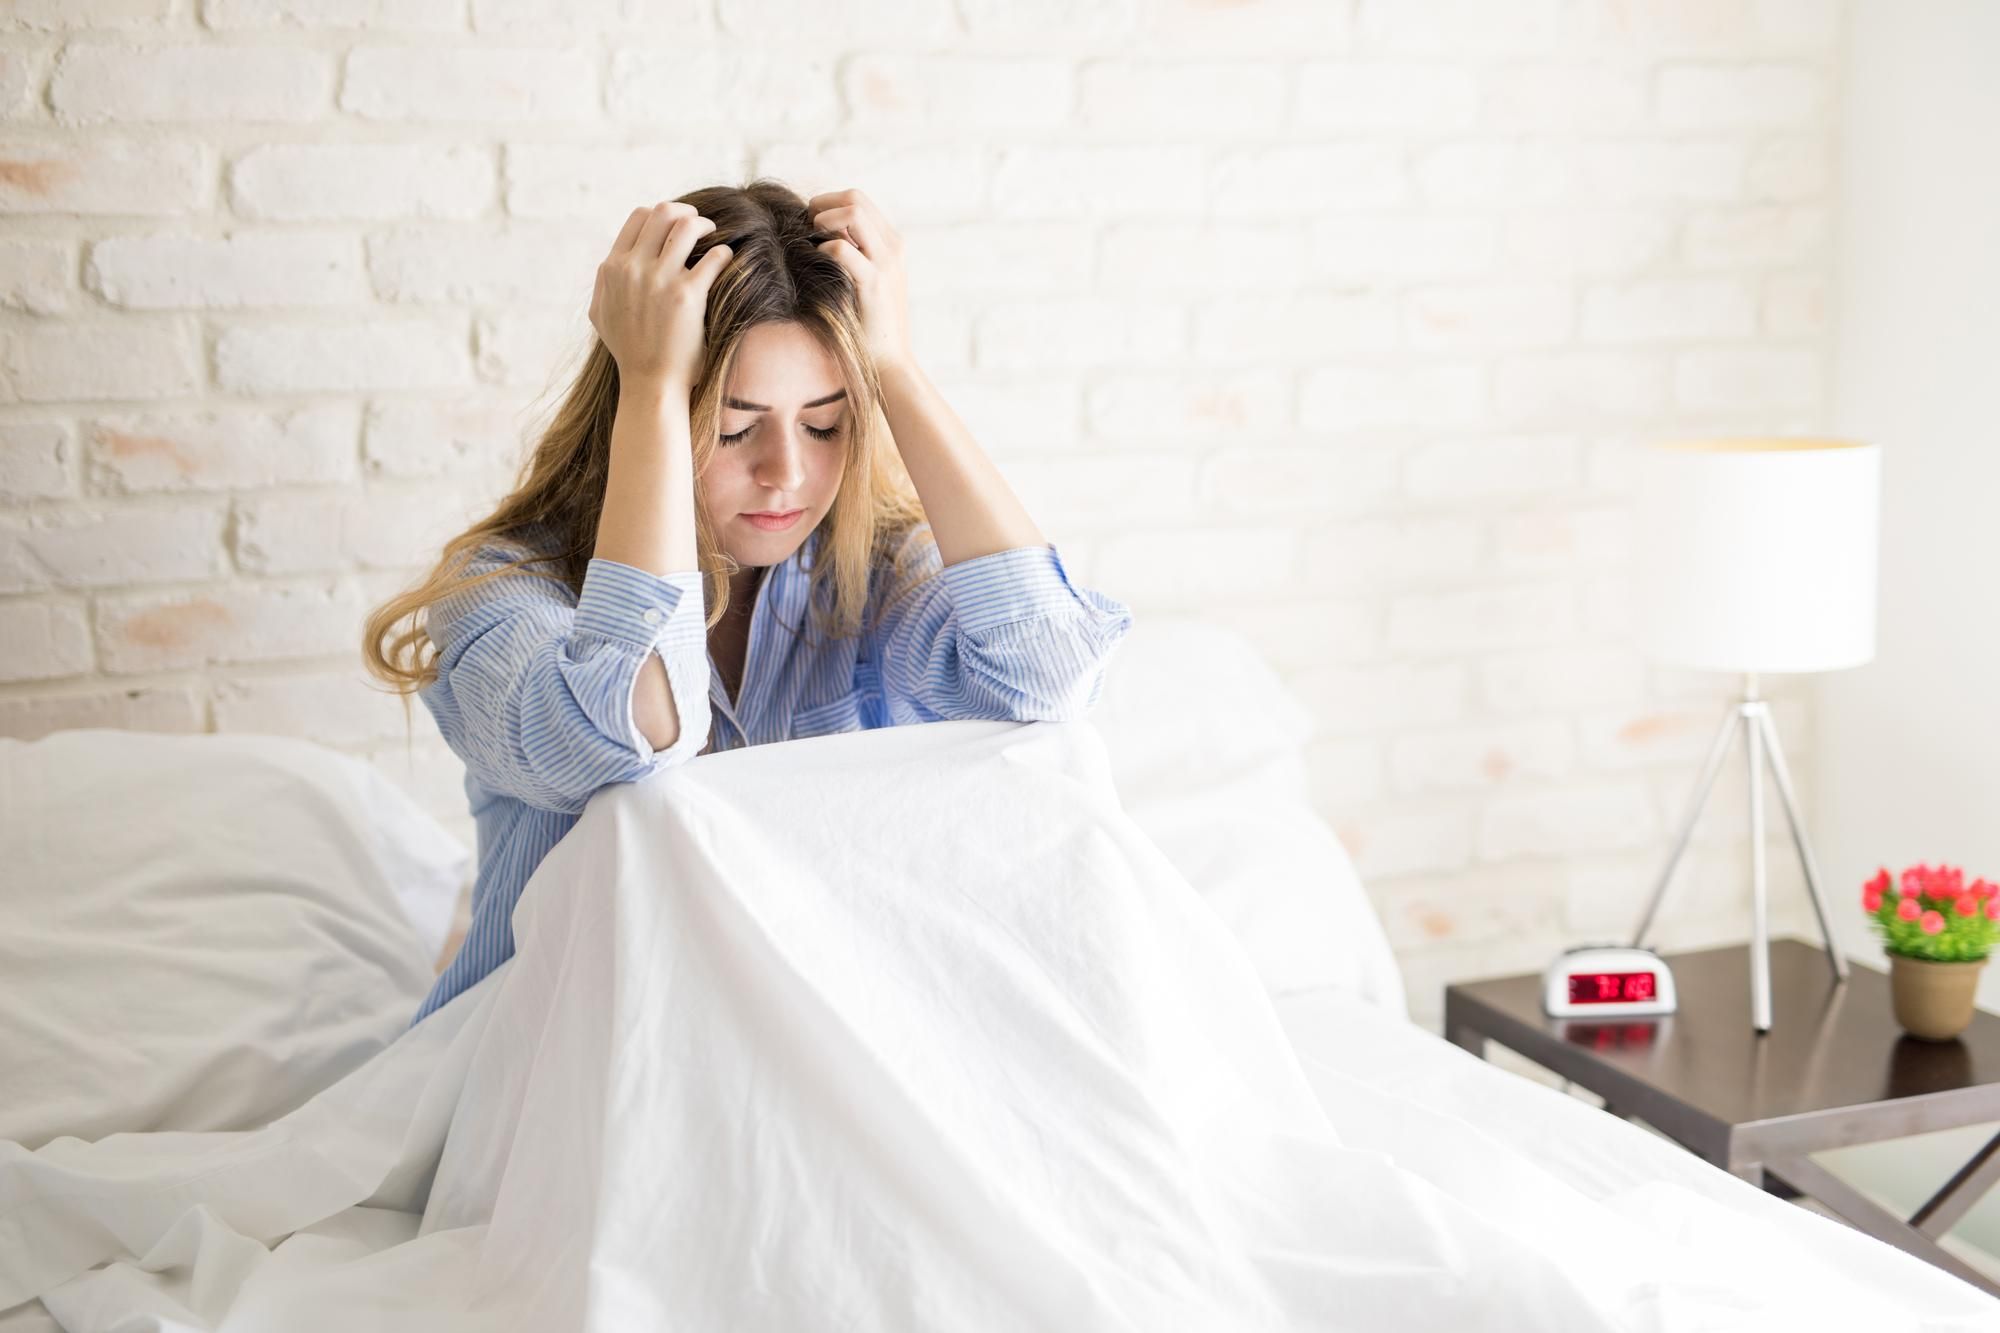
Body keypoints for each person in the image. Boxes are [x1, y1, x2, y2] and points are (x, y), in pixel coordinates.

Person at [361, 179, 1136, 1026]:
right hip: (566, 1047)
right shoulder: (507, 588)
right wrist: (652, 384)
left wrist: (895, 369)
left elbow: (1051, 676)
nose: (787, 474)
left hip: (810, 1043)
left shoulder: (874, 572)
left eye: (825, 423)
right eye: (734, 428)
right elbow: (622, 734)